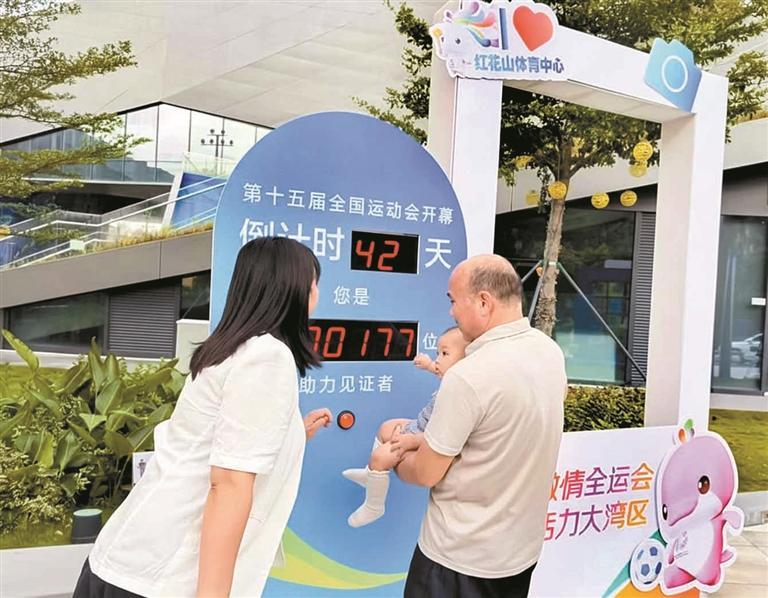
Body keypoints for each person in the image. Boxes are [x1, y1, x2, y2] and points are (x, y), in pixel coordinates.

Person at [73, 237, 333, 598]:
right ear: (294, 288)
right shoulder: (267, 357)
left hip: (127, 564)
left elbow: (215, 441)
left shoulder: (230, 349)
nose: (316, 292)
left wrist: (293, 435)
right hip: (165, 580)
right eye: (314, 281)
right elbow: (228, 484)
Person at [396, 254, 567, 598]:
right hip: (519, 556)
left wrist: (395, 455)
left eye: (453, 301)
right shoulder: (550, 352)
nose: (451, 313)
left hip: (456, 561)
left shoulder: (469, 376)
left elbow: (426, 473)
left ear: (484, 302)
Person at [342, 327, 468, 528]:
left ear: (467, 361)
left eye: (444, 354)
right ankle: (370, 475)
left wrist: (411, 441)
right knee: (387, 427)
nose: (438, 360)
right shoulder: (451, 377)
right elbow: (440, 370)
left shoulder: (459, 395)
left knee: (379, 457)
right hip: (418, 426)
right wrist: (428, 365)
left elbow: (441, 433)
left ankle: (374, 505)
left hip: (423, 437)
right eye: (437, 353)